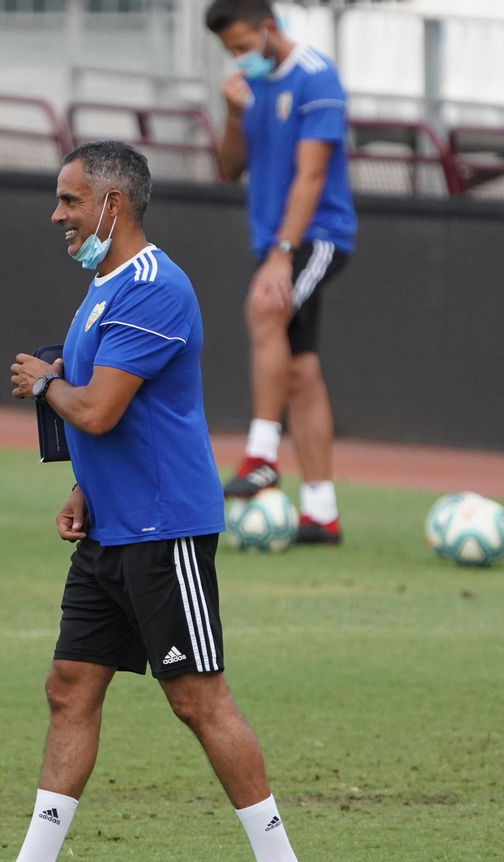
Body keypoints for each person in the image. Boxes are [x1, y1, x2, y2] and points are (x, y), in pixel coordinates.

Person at [0, 140, 316, 862]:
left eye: (70, 200)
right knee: (70, 687)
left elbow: (99, 407)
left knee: (196, 697)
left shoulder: (155, 289)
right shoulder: (104, 287)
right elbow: (112, 423)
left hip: (164, 528)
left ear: (114, 203)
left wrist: (44, 384)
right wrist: (83, 484)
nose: (58, 215)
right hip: (112, 527)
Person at [206, 0, 357, 545]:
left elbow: (312, 176)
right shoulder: (254, 87)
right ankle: (321, 513)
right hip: (277, 241)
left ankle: (262, 455)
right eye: (230, 52)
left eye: (244, 47)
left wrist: (282, 253)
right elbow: (229, 169)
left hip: (314, 237)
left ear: (270, 29)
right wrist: (233, 114)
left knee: (264, 306)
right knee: (301, 372)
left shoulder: (317, 77)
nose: (240, 59)